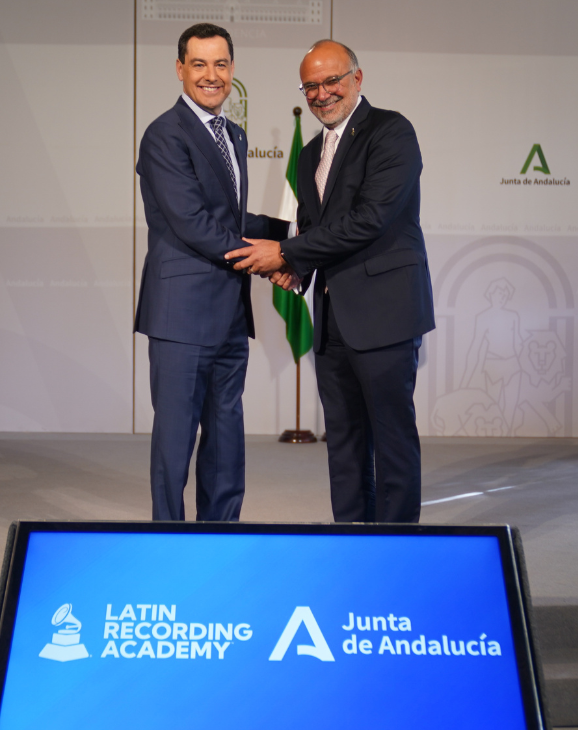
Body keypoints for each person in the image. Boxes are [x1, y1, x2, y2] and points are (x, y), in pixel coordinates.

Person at [226, 40, 434, 523]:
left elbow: (370, 219)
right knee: (343, 445)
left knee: (392, 440)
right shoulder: (311, 153)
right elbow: (318, 230)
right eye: (311, 86)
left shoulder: (391, 132)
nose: (321, 94)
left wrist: (286, 252)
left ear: (357, 79)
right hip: (332, 319)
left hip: (385, 315)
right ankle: (352, 544)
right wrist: (294, 264)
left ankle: (397, 550)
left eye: (331, 81)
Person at [135, 23, 290, 521]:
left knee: (226, 434)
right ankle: (168, 540)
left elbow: (230, 218)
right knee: (175, 437)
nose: (210, 75)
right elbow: (194, 224)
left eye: (220, 64)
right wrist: (271, 259)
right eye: (198, 64)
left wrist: (292, 233)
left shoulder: (233, 134)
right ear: (180, 69)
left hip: (228, 313)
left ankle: (221, 534)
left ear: (232, 69)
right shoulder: (164, 134)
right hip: (181, 316)